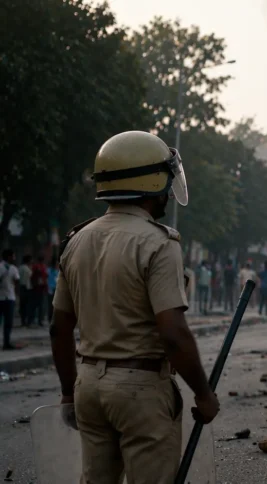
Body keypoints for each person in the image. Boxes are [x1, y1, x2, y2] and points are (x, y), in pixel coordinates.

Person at [50, 131, 218, 482]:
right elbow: (173, 333)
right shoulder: (158, 243)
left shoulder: (76, 242)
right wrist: (203, 394)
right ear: (152, 181)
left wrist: (69, 391)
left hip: (89, 388)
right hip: (141, 389)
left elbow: (59, 327)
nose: (169, 193)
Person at [0, 249, 20, 350]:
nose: (14, 258)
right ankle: (6, 343)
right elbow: (16, 282)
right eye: (13, 256)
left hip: (5, 297)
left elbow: (16, 281)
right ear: (9, 257)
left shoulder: (10, 268)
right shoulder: (8, 268)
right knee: (7, 322)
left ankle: (6, 343)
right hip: (6, 297)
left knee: (7, 322)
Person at [30, 256, 49, 326]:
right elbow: (32, 277)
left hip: (41, 288)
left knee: (39, 305)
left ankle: (38, 320)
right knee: (36, 305)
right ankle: (34, 320)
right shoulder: (37, 267)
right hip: (37, 288)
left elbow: (45, 277)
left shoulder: (43, 267)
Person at [18, 255, 33, 326]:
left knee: (22, 305)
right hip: (26, 288)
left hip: (21, 287)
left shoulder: (20, 268)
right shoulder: (27, 269)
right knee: (26, 305)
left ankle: (23, 321)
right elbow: (30, 276)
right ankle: (26, 321)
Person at [47, 258, 60, 323]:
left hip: (57, 289)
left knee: (56, 305)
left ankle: (54, 318)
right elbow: (47, 280)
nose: (58, 265)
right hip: (51, 289)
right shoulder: (49, 271)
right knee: (51, 305)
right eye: (57, 264)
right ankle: (50, 318)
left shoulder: (58, 271)